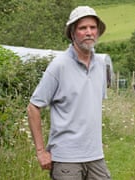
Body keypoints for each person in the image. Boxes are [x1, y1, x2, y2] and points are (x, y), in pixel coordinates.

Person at [27, 6, 111, 180]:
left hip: (95, 156)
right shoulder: (59, 66)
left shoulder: (101, 65)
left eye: (92, 27)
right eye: (82, 28)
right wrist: (41, 151)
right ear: (72, 33)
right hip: (66, 159)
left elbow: (90, 107)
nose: (89, 32)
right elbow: (33, 107)